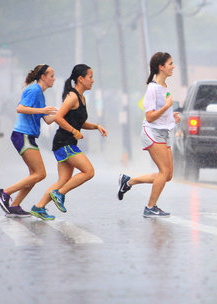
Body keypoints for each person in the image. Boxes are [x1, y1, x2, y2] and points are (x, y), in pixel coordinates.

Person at [30, 64, 107, 220]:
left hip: (66, 143)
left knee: (63, 180)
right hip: (63, 143)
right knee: (88, 171)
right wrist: (74, 132)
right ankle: (60, 194)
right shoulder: (72, 97)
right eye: (90, 77)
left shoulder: (82, 98)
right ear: (80, 79)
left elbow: (78, 122)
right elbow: (58, 118)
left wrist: (96, 126)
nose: (92, 81)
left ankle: (38, 207)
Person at [117, 52, 181, 217]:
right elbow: (150, 116)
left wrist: (172, 118)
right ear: (161, 67)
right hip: (152, 133)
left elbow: (161, 115)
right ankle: (150, 207)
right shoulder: (152, 88)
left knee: (168, 175)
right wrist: (166, 108)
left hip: (164, 133)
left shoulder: (164, 87)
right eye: (170, 64)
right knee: (163, 172)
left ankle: (128, 181)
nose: (173, 66)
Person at [0, 64, 57, 217]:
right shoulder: (34, 90)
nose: (54, 79)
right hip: (23, 135)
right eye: (51, 76)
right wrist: (42, 110)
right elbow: (20, 108)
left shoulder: (40, 94)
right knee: (40, 174)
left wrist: (63, 114)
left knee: (34, 175)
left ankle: (15, 205)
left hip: (29, 136)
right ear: (43, 77)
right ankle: (4, 193)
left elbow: (47, 119)